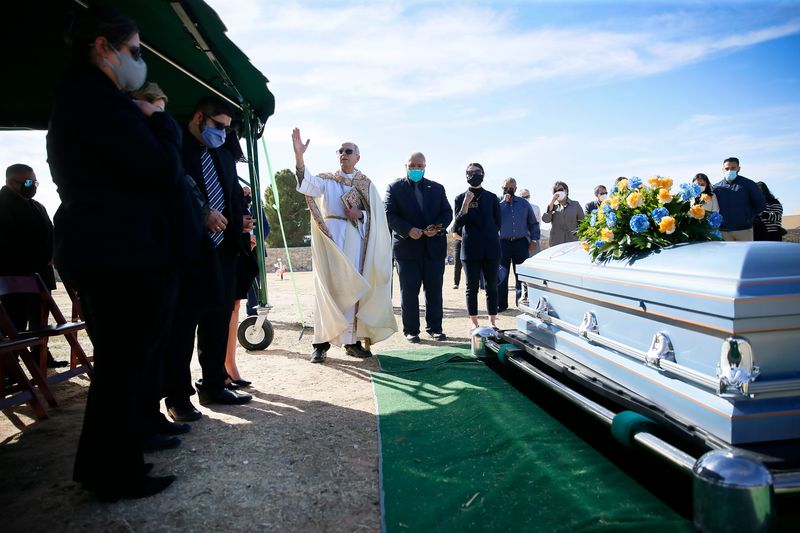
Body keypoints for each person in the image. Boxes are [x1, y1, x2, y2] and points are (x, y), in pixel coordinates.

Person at [46, 6, 179, 499]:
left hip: (112, 246)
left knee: (125, 362)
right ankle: (110, 472)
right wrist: (160, 123)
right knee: (121, 364)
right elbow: (159, 169)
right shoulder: (97, 101)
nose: (139, 61)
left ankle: (115, 459)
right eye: (134, 52)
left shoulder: (89, 97)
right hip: (116, 250)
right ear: (103, 47)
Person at [164, 96, 254, 423]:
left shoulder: (224, 155)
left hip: (223, 252)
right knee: (183, 326)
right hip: (187, 251)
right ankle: (177, 396)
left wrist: (242, 224)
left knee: (217, 322)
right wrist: (200, 214)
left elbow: (231, 197)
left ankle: (214, 385)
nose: (223, 134)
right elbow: (170, 193)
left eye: (228, 129)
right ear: (200, 117)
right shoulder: (174, 147)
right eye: (218, 126)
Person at [292, 128, 396, 363]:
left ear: (357, 157)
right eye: (340, 151)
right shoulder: (327, 181)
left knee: (353, 289)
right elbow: (306, 184)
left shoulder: (366, 185)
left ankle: (351, 341)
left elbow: (378, 218)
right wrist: (300, 157)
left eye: (348, 151)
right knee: (327, 290)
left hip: (357, 243)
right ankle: (320, 343)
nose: (343, 154)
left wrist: (360, 214)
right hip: (331, 241)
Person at [0, 164, 67, 368]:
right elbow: (8, 243)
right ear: (12, 182)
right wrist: (39, 259)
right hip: (15, 276)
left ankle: (40, 356)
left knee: (40, 321)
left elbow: (50, 232)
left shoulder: (37, 205)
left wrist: (54, 253)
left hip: (41, 274)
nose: (33, 186)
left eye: (34, 181)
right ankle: (10, 367)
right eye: (28, 182)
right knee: (15, 324)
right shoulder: (3, 206)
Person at [385, 152, 453, 343]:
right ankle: (411, 330)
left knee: (434, 291)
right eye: (412, 165)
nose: (416, 169)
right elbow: (389, 214)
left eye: (419, 166)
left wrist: (437, 227)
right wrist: (408, 230)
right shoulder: (394, 188)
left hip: (433, 248)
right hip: (407, 249)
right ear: (405, 166)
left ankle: (435, 328)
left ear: (425, 167)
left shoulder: (437, 188)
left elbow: (447, 213)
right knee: (409, 292)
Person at [453, 163, 501, 330]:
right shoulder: (460, 198)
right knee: (471, 287)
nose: (474, 175)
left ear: (483, 174)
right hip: (470, 250)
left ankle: (493, 322)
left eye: (477, 172)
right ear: (466, 175)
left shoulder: (492, 197)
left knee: (492, 286)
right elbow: (457, 225)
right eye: (470, 172)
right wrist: (466, 204)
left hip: (490, 249)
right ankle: (474, 323)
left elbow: (498, 223)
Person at [497, 178, 539, 312]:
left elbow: (533, 223)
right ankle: (501, 304)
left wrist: (534, 240)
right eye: (505, 187)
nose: (508, 190)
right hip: (502, 243)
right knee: (501, 274)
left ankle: (521, 302)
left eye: (510, 188)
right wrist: (504, 202)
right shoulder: (497, 203)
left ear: (515, 188)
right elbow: (492, 217)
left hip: (520, 242)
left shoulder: (523, 203)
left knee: (521, 275)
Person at [712, 157, 766, 241]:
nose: (729, 170)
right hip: (723, 231)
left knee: (745, 254)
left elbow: (760, 203)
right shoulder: (716, 188)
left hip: (744, 230)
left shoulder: (749, 184)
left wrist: (749, 218)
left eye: (733, 168)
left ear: (739, 168)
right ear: (723, 169)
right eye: (727, 168)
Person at [542, 180, 584, 246]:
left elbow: (582, 222)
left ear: (566, 191)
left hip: (572, 241)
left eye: (560, 190)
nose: (558, 192)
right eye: (555, 191)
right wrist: (552, 202)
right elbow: (546, 220)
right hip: (556, 243)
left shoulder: (575, 204)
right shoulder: (552, 206)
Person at [518, 188, 541, 254]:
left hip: (533, 238)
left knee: (534, 259)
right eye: (523, 197)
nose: (525, 198)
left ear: (529, 196)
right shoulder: (514, 208)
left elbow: (538, 223)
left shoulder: (536, 208)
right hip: (520, 238)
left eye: (527, 197)